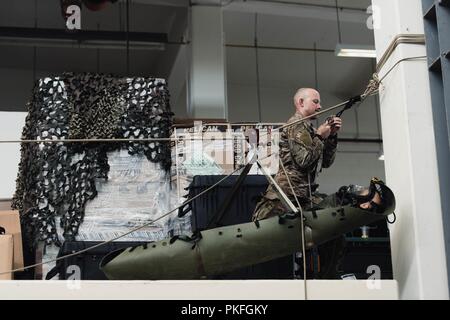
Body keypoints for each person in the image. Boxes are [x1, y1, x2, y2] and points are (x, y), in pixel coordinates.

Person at [252, 87, 342, 221]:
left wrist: (331, 137)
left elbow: (326, 162)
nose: (320, 106)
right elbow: (304, 160)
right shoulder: (296, 125)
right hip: (288, 195)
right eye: (315, 102)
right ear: (301, 102)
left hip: (304, 195)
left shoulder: (310, 130)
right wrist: (320, 137)